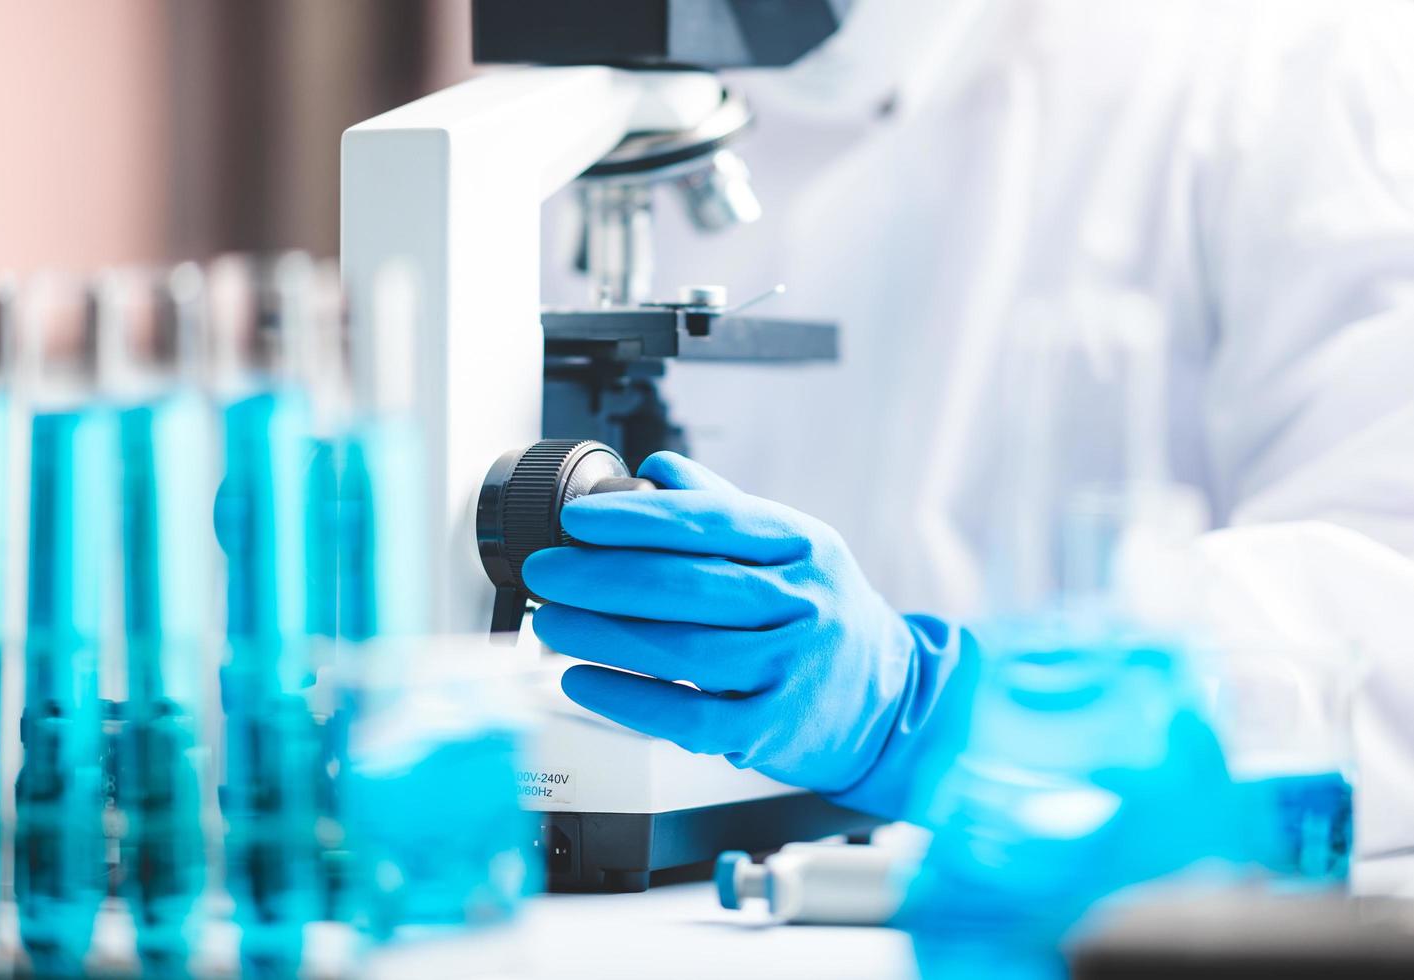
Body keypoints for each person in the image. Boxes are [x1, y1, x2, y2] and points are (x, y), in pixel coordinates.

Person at [532, 0, 1414, 867]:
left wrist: (932, 709)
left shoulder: (1287, 73)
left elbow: (1384, 608)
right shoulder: (594, 110)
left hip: (1072, 922)